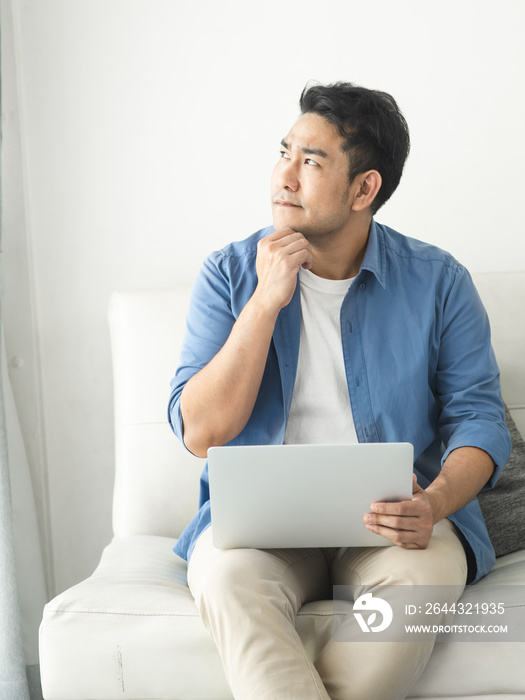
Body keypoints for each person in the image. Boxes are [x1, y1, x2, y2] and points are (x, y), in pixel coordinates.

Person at [168, 81, 511, 700]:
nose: (284, 176)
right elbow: (201, 431)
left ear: (364, 189)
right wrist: (265, 303)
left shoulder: (439, 282)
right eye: (284, 151)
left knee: (423, 582)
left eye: (311, 161)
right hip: (261, 533)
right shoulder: (229, 273)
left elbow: (479, 421)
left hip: (390, 528)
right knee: (225, 578)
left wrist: (433, 504)